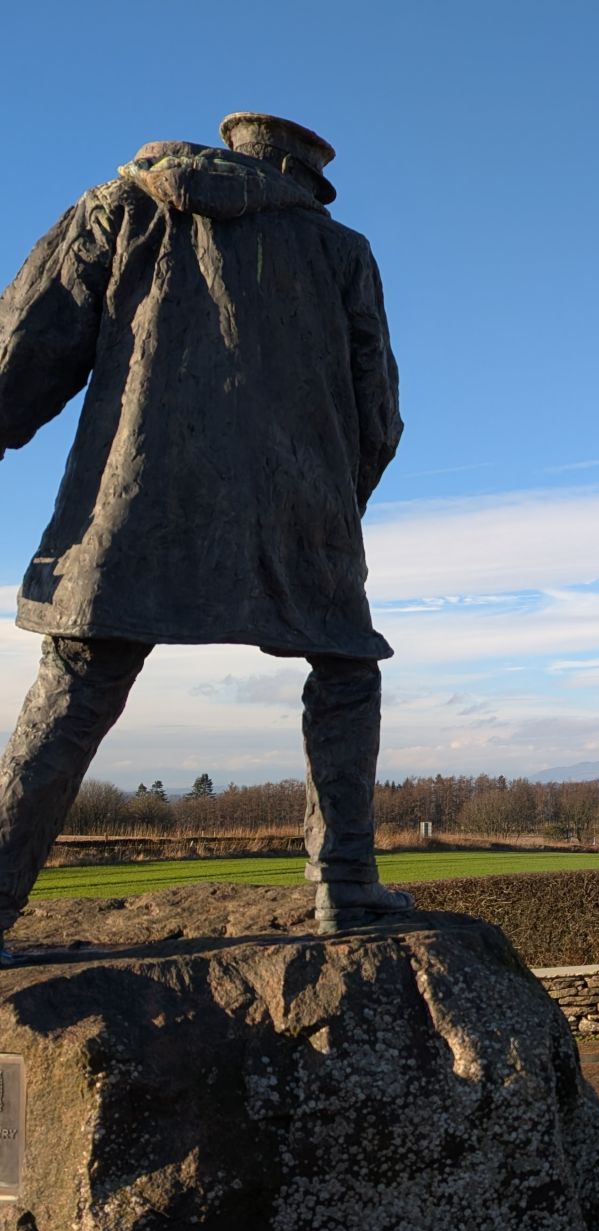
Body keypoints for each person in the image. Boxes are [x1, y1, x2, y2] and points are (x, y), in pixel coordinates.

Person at [0, 112, 411, 956]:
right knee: (344, 668)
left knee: (79, 682)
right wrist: (334, 502)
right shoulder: (340, 252)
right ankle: (343, 883)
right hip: (302, 509)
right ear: (303, 176)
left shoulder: (124, 207)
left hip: (133, 501)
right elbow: (379, 418)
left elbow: (22, 352)